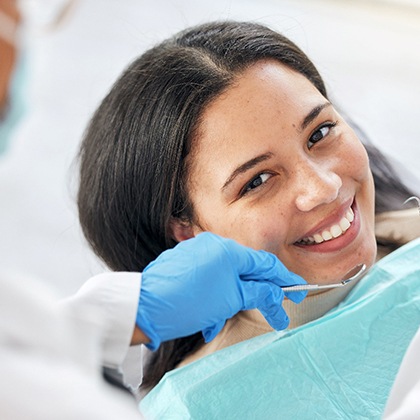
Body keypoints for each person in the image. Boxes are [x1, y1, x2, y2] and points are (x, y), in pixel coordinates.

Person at [77, 19, 420, 396]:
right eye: (257, 180)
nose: (324, 187)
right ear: (188, 233)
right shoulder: (207, 404)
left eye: (319, 133)